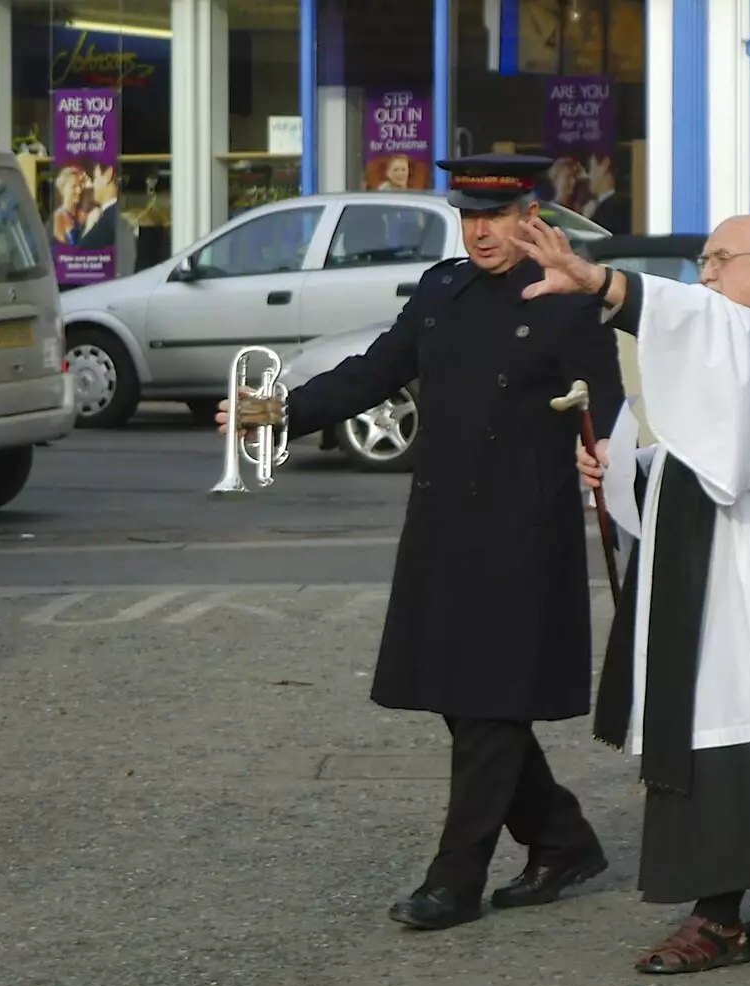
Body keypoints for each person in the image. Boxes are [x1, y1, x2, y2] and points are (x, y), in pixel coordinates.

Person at [218, 154, 625, 930]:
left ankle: (456, 878)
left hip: (523, 532)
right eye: (467, 216)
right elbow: (376, 370)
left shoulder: (566, 299)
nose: (479, 232)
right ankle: (561, 836)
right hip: (443, 526)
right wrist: (281, 410)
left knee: (488, 704)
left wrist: (607, 457)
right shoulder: (443, 288)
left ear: (529, 215)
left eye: (495, 217)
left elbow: (604, 407)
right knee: (466, 701)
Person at [509, 212, 750, 975]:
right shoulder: (742, 348)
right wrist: (625, 468)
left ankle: (718, 916)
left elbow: (721, 404)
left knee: (736, 731)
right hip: (719, 576)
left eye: (717, 259)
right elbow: (686, 448)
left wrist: (607, 282)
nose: (702, 275)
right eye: (701, 260)